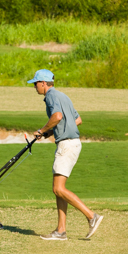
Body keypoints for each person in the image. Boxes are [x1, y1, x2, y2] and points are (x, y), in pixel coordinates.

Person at [28, 69, 102, 241]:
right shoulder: (63, 96)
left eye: (36, 83)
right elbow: (77, 120)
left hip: (67, 145)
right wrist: (47, 134)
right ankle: (61, 231)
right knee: (57, 190)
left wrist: (42, 130)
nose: (35, 87)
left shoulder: (51, 96)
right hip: (72, 143)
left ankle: (92, 216)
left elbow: (58, 116)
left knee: (58, 188)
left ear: (44, 83)